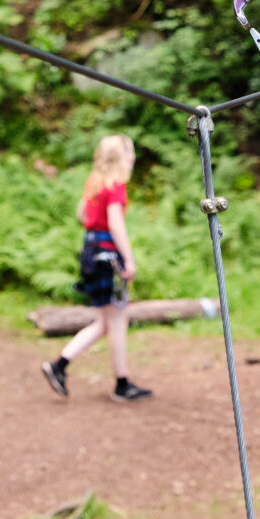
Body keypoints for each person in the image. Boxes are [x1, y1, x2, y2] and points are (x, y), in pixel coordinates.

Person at [42, 133, 152, 404]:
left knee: (104, 322)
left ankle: (59, 365)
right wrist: (129, 260)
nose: (133, 157)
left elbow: (82, 214)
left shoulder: (95, 183)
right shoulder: (116, 186)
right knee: (117, 319)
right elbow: (115, 224)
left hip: (90, 252)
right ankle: (121, 384)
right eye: (130, 152)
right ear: (121, 157)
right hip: (107, 256)